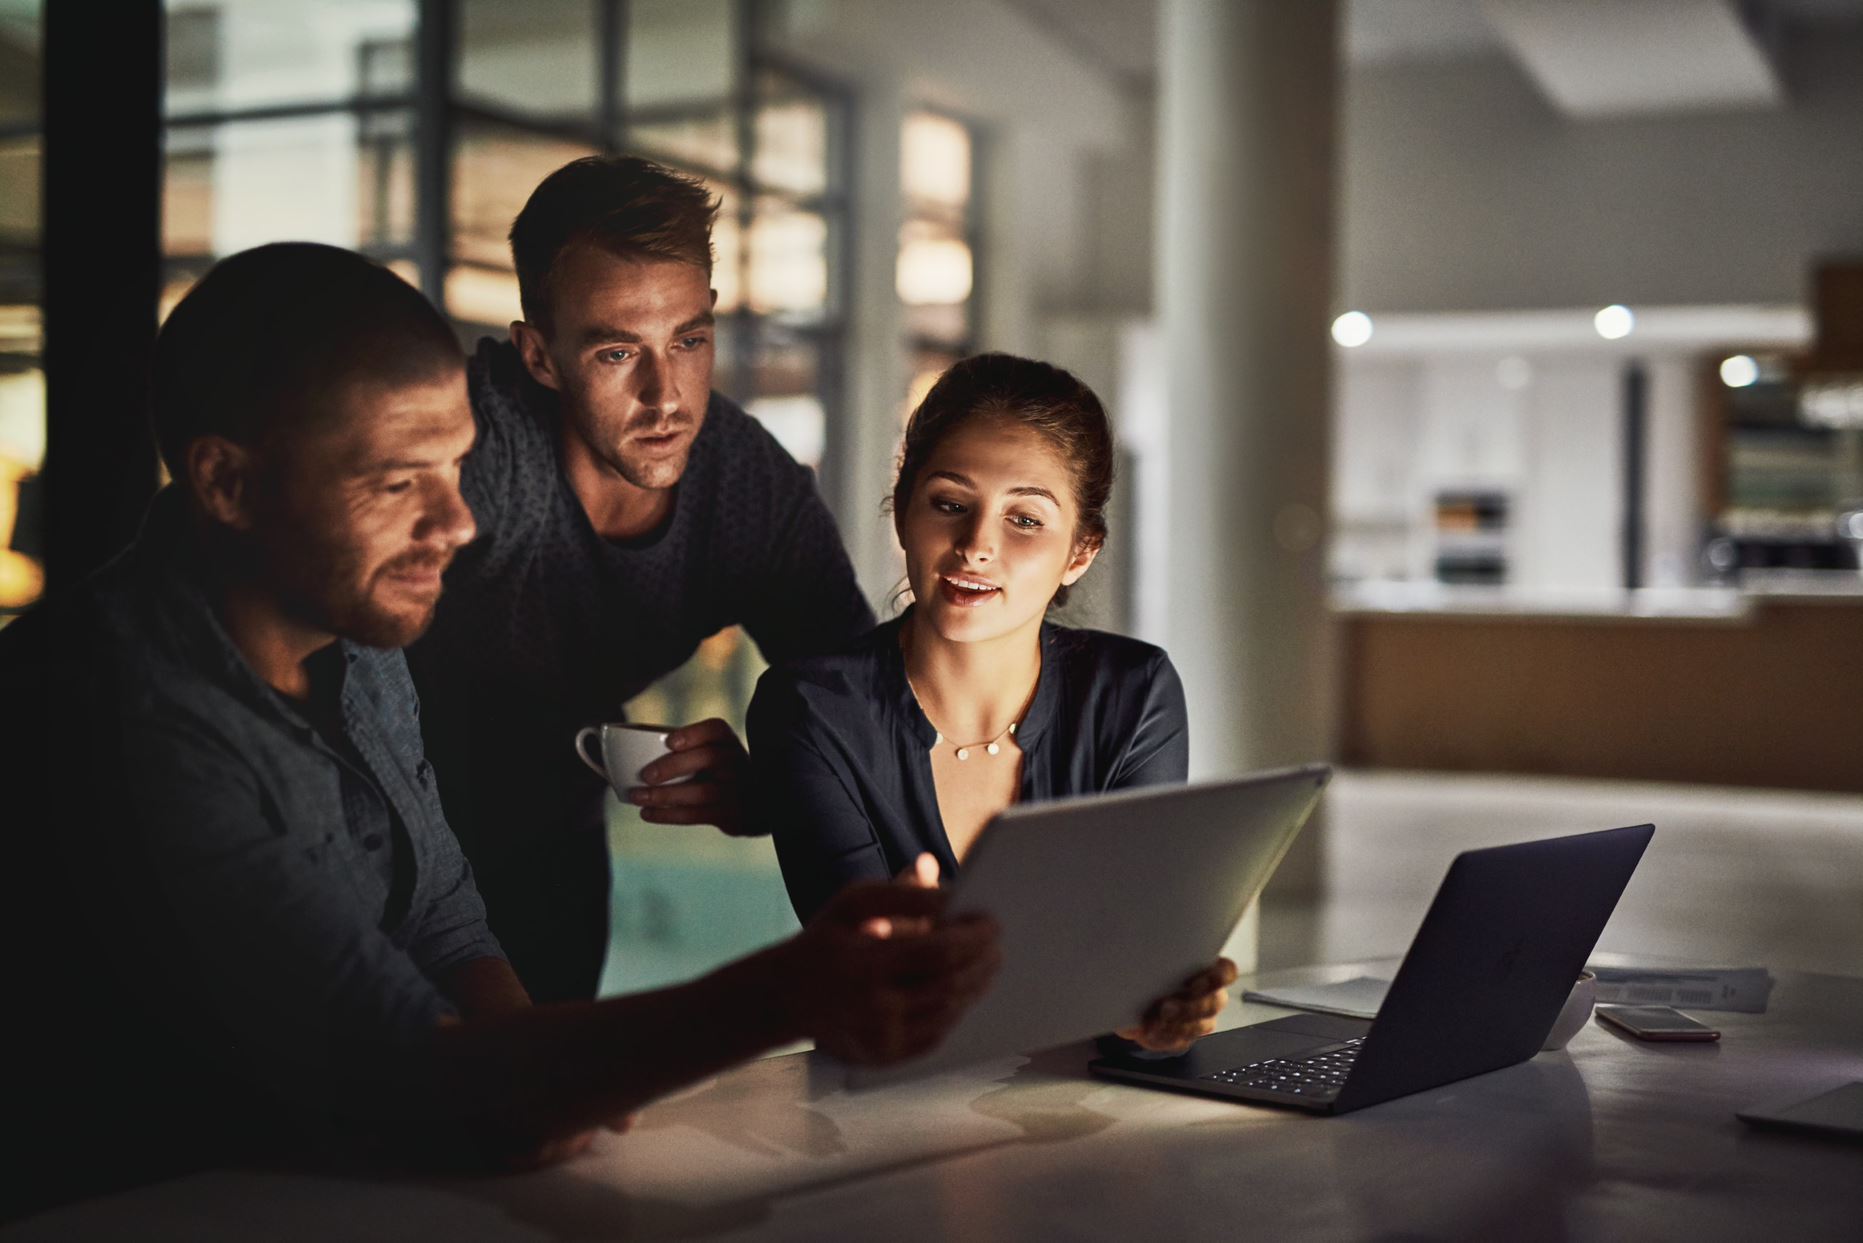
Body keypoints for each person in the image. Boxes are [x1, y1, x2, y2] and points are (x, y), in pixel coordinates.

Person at [0, 244, 996, 1218]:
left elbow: (440, 910)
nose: (455, 523)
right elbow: (400, 1074)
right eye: (397, 482)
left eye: (455, 467)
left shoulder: (355, 627)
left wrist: (547, 1098)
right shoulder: (115, 716)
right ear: (226, 484)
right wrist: (782, 997)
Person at [408, 156, 876, 1003]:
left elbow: (860, 709)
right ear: (539, 356)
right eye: (617, 351)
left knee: (552, 1114)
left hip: (551, 834)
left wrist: (767, 782)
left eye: (688, 341)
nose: (666, 396)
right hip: (375, 824)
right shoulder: (472, 449)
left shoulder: (749, 487)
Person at [747, 353, 1234, 1053]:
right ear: (904, 511)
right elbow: (873, 984)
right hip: (882, 1104)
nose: (976, 545)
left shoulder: (1134, 693)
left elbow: (1131, 954)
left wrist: (1154, 1008)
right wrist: (1095, 991)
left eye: (1025, 519)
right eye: (949, 504)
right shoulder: (811, 709)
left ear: (1080, 552)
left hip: (1085, 1111)